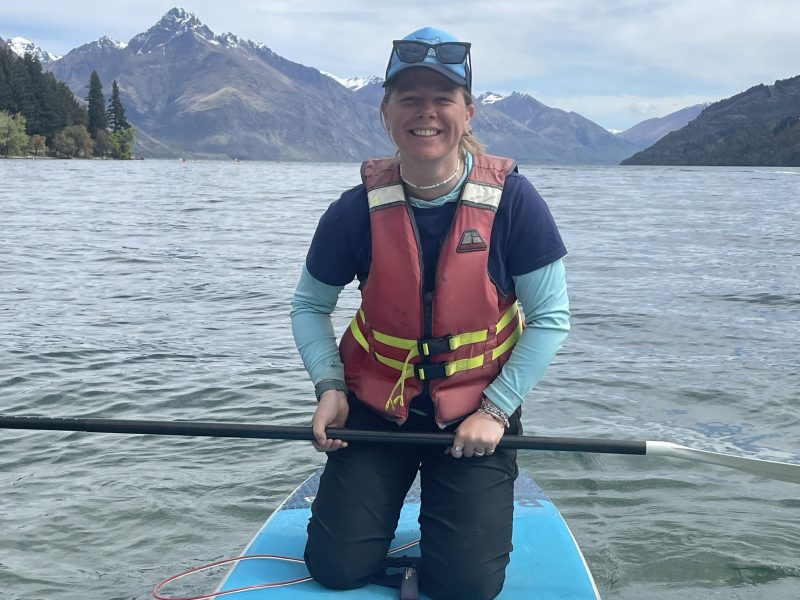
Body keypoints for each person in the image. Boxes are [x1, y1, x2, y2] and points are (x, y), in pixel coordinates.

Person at [290, 26, 570, 600]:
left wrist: (496, 409)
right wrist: (329, 386)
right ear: (385, 112)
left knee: (467, 588)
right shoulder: (352, 211)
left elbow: (551, 319)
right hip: (375, 410)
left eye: (442, 99)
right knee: (334, 569)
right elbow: (309, 306)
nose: (426, 113)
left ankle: (452, 538)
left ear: (467, 113)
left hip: (474, 418)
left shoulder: (517, 204)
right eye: (409, 98)